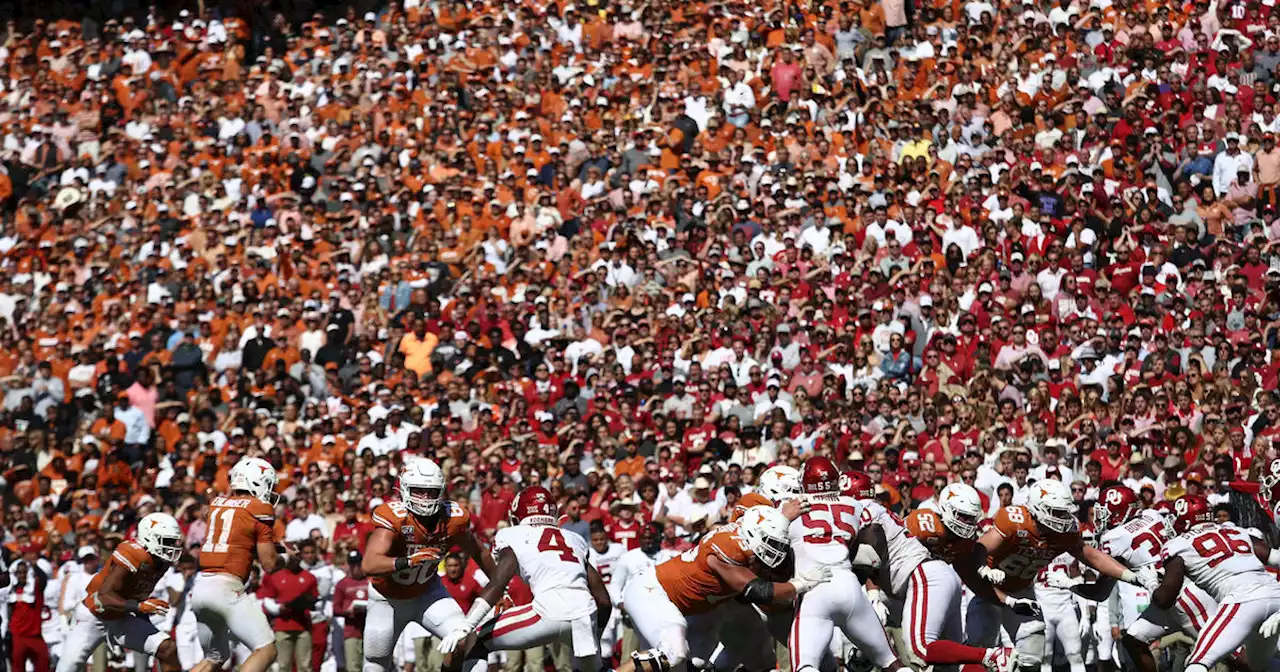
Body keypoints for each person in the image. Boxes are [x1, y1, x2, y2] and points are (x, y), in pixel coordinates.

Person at [966, 479, 1155, 672]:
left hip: (1020, 590)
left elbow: (1093, 557)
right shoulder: (1015, 520)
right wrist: (984, 569)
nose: (1063, 518)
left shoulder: (1065, 533)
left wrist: (1132, 577)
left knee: (1031, 656)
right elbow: (980, 547)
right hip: (988, 590)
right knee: (980, 645)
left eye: (1064, 512)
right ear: (1038, 509)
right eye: (1057, 513)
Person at [617, 505, 829, 672]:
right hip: (652, 591)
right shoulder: (728, 551)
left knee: (693, 664)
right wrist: (800, 584)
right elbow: (760, 592)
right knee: (674, 653)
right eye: (768, 542)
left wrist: (783, 517)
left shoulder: (746, 531)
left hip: (694, 606)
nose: (775, 549)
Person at [1049, 486, 1217, 672]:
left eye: (1106, 511)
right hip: (1169, 591)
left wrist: (1068, 584)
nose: (1101, 517)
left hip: (1184, 597)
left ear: (1120, 512)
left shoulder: (1114, 538)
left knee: (1224, 648)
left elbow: (1100, 593)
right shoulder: (1152, 515)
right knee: (1134, 639)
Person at [360, 458, 496, 672]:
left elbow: (479, 551)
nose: (425, 498)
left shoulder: (452, 518)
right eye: (418, 491)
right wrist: (408, 561)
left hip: (427, 593)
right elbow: (369, 563)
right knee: (375, 663)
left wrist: (502, 585)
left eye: (431, 492)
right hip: (387, 599)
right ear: (404, 489)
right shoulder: (395, 517)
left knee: (467, 642)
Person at [460, 486, 612, 670]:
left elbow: (497, 585)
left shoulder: (511, 534)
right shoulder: (574, 539)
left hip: (547, 611)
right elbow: (603, 601)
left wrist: (467, 624)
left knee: (475, 639)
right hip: (585, 615)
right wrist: (595, 632)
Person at [787, 457, 909, 672]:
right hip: (849, 586)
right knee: (892, 662)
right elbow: (875, 532)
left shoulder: (789, 507)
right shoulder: (853, 505)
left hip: (813, 591)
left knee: (805, 666)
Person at [1155, 495, 1280, 672]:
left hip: (1242, 600)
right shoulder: (1236, 531)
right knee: (1260, 666)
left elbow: (1166, 598)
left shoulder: (1178, 544)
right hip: (1275, 593)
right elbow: (1274, 557)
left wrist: (1152, 583)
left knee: (1197, 663)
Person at [55, 513, 183, 672]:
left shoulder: (161, 561)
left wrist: (145, 623)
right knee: (68, 668)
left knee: (167, 649)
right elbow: (103, 597)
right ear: (150, 537)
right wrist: (140, 607)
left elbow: (136, 594)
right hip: (93, 617)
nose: (172, 546)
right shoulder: (132, 553)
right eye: (167, 541)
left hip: (121, 617)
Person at [190, 457, 282, 672]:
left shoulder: (217, 504)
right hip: (226, 588)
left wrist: (279, 547)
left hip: (201, 586)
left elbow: (238, 536)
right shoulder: (259, 508)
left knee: (213, 658)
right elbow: (268, 564)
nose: (270, 490)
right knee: (266, 650)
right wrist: (285, 559)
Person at [332, 552, 370, 672]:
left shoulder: (370, 581)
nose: (356, 568)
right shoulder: (342, 584)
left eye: (358, 564)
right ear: (348, 565)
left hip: (369, 631)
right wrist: (348, 611)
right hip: (352, 632)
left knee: (371, 665)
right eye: (352, 565)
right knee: (353, 666)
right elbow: (335, 609)